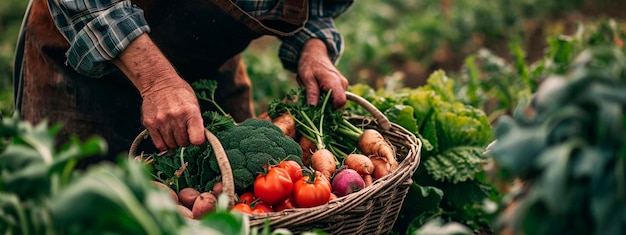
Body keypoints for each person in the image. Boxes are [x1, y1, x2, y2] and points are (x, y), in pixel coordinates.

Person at [13, 0, 353, 165]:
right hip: (86, 67)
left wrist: (314, 46)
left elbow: (317, 5)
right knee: (91, 209)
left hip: (207, 68)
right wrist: (158, 82)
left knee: (236, 195)